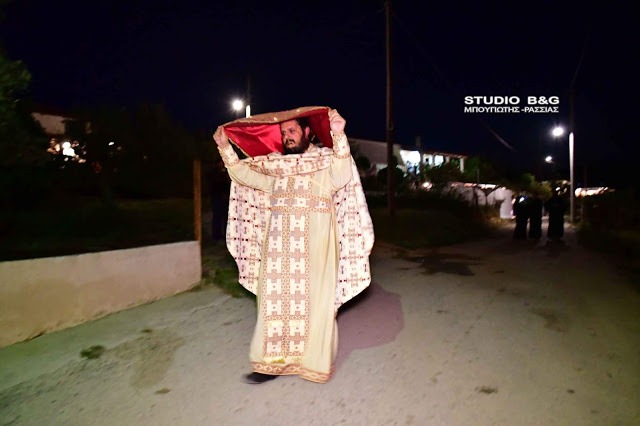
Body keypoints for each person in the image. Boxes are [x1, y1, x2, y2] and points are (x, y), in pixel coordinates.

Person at [213, 108, 374, 384]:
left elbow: (341, 174)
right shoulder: (276, 167)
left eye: (292, 130)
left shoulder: (324, 161)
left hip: (316, 250)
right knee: (274, 306)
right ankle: (271, 365)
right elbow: (245, 176)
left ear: (307, 132)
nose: (287, 136)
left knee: (315, 307)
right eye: (283, 132)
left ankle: (312, 362)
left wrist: (338, 135)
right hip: (277, 252)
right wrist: (225, 148)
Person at [207, 158, 230, 242]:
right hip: (217, 197)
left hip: (225, 197)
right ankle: (216, 236)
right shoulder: (214, 173)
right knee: (217, 216)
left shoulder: (225, 172)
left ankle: (225, 235)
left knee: (226, 217)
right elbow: (213, 185)